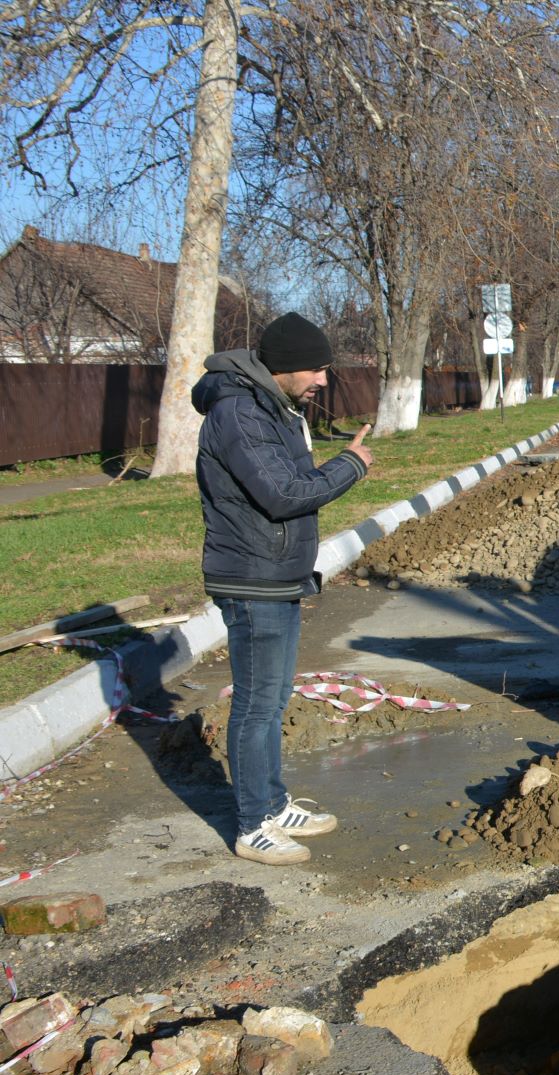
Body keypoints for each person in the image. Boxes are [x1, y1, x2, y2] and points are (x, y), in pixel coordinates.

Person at [192, 312, 374, 865]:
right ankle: (253, 826)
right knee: (255, 705)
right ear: (289, 366)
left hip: (275, 573)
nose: (323, 380)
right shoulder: (239, 412)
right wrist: (351, 466)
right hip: (252, 577)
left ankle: (271, 804)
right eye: (317, 369)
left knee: (271, 702)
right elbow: (283, 494)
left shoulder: (268, 406)